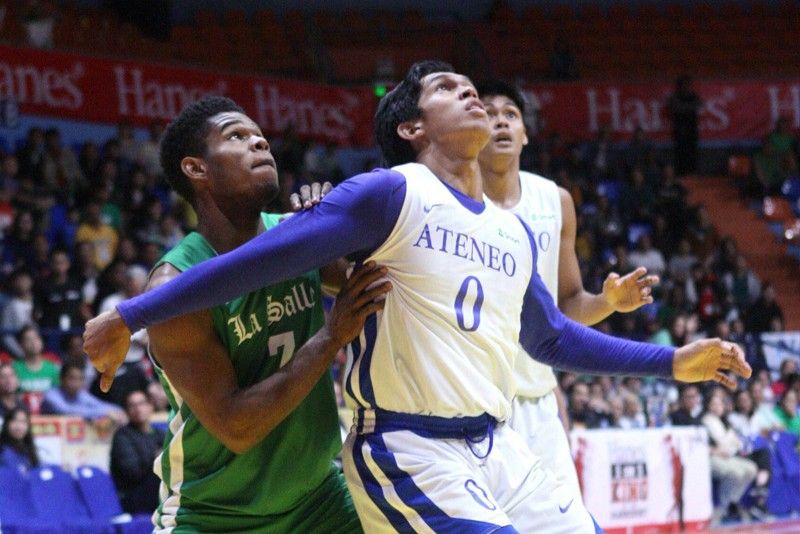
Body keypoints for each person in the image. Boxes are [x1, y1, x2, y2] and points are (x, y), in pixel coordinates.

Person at [84, 63, 750, 532]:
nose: (473, 95)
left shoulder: (510, 226)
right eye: (447, 88)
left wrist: (671, 361)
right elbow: (237, 401)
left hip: (423, 466)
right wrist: (131, 315)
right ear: (410, 128)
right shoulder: (388, 193)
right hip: (329, 472)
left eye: (473, 88)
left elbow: (549, 337)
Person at [102, 97, 385, 532]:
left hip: (319, 501)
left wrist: (337, 224)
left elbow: (374, 285)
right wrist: (330, 337)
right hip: (215, 515)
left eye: (260, 136)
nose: (260, 142)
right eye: (237, 136)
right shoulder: (174, 287)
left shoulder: (296, 235)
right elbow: (237, 426)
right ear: (196, 169)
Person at [476, 79, 658, 503]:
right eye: (488, 112)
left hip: (538, 401)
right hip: (473, 403)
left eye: (511, 114)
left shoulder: (555, 201)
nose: (500, 120)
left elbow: (568, 307)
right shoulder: (447, 199)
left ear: (525, 133)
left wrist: (608, 302)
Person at [701, 390, 757, 523]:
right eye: (713, 404)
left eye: (719, 404)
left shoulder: (724, 421)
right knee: (735, 473)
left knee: (751, 468)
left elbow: (736, 444)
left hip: (726, 456)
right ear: (708, 406)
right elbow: (723, 443)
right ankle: (722, 508)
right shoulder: (707, 420)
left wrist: (731, 444)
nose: (717, 407)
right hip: (710, 457)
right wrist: (729, 444)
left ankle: (733, 502)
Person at [110, 390, 164, 514]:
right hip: (134, 496)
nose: (138, 409)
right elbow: (132, 472)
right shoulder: (122, 436)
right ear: (127, 411)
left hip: (157, 491)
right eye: (132, 405)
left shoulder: (160, 434)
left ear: (150, 406)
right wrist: (156, 458)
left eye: (141, 403)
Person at [41, 360, 126, 422]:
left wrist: (119, 412)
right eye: (72, 378)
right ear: (62, 379)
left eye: (80, 379)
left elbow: (101, 405)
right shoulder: (50, 396)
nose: (77, 383)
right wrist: (105, 413)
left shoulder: (81, 394)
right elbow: (69, 412)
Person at [12, 325, 60, 414]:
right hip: (23, 416)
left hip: (49, 416)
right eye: (28, 340)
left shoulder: (52, 368)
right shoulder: (14, 368)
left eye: (36, 338)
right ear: (21, 344)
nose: (33, 342)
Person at [667, 76, 702, 176]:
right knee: (680, 152)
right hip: (679, 130)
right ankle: (680, 172)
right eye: (683, 85)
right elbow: (674, 106)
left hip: (692, 130)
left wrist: (683, 108)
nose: (685, 87)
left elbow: (699, 105)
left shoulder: (694, 96)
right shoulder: (674, 96)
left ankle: (693, 171)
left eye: (687, 85)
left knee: (692, 151)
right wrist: (688, 108)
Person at [0, 407, 39, 473]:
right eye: (14, 421)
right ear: (6, 424)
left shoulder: (30, 450)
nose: (19, 426)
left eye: (23, 422)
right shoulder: (2, 450)